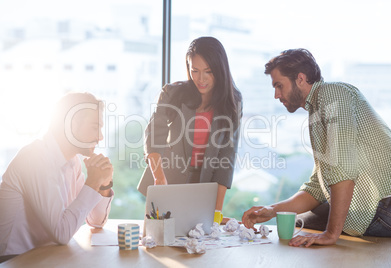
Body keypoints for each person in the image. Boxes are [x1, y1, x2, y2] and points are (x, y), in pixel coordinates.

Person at [242, 48, 391, 247]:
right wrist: (271, 210)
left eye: (279, 85)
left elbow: (342, 168)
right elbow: (316, 189)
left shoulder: (331, 93)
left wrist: (330, 234)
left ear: (300, 78)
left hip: (390, 211)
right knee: (299, 221)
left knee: (304, 226)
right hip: (386, 211)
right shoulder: (317, 111)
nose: (276, 95)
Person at [137, 36, 242, 224]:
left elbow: (226, 157)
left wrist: (216, 212)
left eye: (208, 72)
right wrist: (159, 179)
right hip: (165, 179)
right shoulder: (172, 93)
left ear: (220, 70)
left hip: (203, 187)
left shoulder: (233, 101)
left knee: (200, 242)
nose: (200, 79)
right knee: (163, 239)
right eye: (195, 70)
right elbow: (154, 134)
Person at [0, 92, 114, 260]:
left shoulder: (72, 161)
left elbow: (96, 222)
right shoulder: (36, 159)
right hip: (12, 260)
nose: (100, 137)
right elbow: (61, 234)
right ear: (71, 125)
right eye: (95, 127)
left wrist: (103, 184)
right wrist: (92, 182)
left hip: (45, 256)